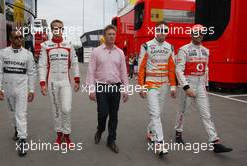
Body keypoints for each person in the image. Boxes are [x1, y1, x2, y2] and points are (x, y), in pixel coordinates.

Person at [175, 24, 233, 153]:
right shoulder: (183, 49)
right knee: (183, 111)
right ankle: (178, 132)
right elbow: (178, 70)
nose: (199, 35)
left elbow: (206, 69)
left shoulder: (206, 50)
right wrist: (186, 87)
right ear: (191, 34)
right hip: (188, 83)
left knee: (207, 114)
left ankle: (215, 141)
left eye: (201, 33)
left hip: (201, 85)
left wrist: (206, 85)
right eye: (196, 33)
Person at [86, 24, 129, 153]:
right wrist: (91, 90)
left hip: (115, 87)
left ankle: (111, 140)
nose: (111, 36)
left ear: (116, 36)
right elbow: (91, 71)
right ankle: (100, 129)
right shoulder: (96, 52)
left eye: (113, 34)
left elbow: (123, 72)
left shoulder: (120, 52)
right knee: (103, 113)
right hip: (101, 87)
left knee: (114, 115)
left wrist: (126, 90)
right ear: (104, 36)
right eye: (109, 34)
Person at [0, 28, 36, 156]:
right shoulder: (3, 53)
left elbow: (31, 73)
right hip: (8, 88)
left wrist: (32, 89)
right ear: (10, 39)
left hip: (22, 88)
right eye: (16, 37)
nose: (19, 39)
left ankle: (22, 140)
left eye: (20, 37)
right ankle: (16, 129)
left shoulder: (28, 54)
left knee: (21, 114)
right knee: (12, 113)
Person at [39, 19, 80, 148]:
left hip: (65, 81)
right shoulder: (45, 45)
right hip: (52, 82)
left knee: (66, 109)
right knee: (56, 110)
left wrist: (77, 79)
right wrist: (42, 83)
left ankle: (67, 135)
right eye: (56, 28)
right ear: (52, 30)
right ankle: (59, 134)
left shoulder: (69, 45)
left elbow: (74, 63)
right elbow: (42, 65)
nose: (59, 30)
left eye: (61, 28)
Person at [138, 21, 176, 155]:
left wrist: (173, 86)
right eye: (159, 30)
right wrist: (141, 86)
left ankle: (150, 131)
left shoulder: (170, 47)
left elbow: (172, 68)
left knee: (158, 113)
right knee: (155, 114)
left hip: (164, 85)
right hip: (151, 84)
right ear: (155, 31)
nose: (162, 33)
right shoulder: (146, 46)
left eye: (165, 30)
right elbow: (141, 67)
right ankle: (159, 143)